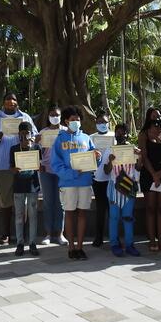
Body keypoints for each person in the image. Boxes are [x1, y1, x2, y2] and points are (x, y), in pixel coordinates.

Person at [0, 93, 38, 246]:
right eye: (8, 101)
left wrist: (28, 139)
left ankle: (22, 235)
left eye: (14, 101)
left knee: (22, 202)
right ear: (3, 103)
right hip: (2, 165)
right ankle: (5, 234)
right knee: (5, 202)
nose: (11, 103)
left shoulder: (25, 117)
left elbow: (36, 136)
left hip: (23, 166)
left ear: (17, 103)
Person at [51, 105, 98, 260]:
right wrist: (71, 173)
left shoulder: (86, 138)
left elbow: (93, 159)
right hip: (68, 183)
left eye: (78, 119)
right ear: (66, 121)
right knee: (70, 213)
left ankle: (80, 247)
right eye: (72, 120)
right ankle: (71, 247)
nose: (76, 122)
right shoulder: (60, 139)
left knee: (82, 213)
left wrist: (96, 156)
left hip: (85, 182)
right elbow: (55, 164)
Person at [138, 107, 161, 252]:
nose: (156, 119)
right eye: (153, 116)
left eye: (159, 116)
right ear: (148, 118)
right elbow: (144, 156)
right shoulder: (143, 134)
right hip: (148, 174)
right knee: (150, 208)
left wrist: (160, 174)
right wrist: (154, 174)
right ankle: (152, 240)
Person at [102, 123, 142, 257]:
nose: (121, 135)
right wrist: (110, 162)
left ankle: (130, 245)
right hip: (114, 188)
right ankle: (114, 244)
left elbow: (138, 168)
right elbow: (106, 171)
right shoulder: (110, 150)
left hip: (129, 187)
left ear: (127, 134)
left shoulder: (133, 149)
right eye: (118, 133)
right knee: (114, 217)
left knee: (128, 217)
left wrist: (140, 157)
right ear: (115, 134)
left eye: (123, 133)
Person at [37, 105, 67, 245]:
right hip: (46, 171)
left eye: (57, 115)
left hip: (62, 171)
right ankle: (48, 234)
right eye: (52, 114)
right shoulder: (42, 132)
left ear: (61, 117)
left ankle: (60, 233)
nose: (54, 117)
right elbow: (36, 152)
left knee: (61, 203)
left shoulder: (66, 132)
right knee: (48, 202)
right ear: (48, 116)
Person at [10, 122, 41, 256]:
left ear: (31, 134)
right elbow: (11, 167)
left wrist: (38, 165)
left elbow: (40, 166)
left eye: (27, 133)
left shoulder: (36, 147)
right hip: (18, 186)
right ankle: (20, 243)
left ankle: (33, 243)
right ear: (18, 134)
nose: (24, 136)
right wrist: (15, 169)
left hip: (33, 186)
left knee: (33, 215)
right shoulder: (14, 148)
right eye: (22, 133)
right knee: (19, 216)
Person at [90, 110, 112, 247]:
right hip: (97, 177)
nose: (102, 124)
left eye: (104, 122)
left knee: (112, 208)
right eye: (99, 122)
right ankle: (99, 237)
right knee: (100, 207)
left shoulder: (114, 136)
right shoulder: (91, 137)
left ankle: (113, 236)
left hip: (113, 178)